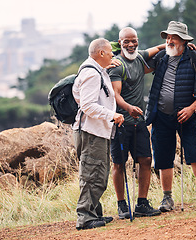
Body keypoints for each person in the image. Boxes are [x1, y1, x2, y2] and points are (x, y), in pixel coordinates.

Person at [145, 21, 196, 212]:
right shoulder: (161, 57)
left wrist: (192, 108)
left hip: (187, 117)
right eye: (167, 37)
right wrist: (160, 46)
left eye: (173, 37)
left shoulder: (195, 59)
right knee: (162, 158)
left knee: (194, 156)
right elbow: (140, 64)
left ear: (183, 40)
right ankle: (167, 199)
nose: (169, 40)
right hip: (160, 117)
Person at [108, 27, 165, 219]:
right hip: (121, 121)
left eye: (134, 41)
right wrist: (129, 107)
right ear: (120, 42)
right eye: (126, 41)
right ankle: (122, 205)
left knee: (146, 160)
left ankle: (142, 203)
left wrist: (177, 44)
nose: (131, 44)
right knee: (119, 163)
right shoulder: (117, 65)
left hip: (139, 122)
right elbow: (115, 95)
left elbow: (158, 48)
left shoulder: (140, 57)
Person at [72, 38, 124, 230]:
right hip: (91, 132)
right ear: (101, 53)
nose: (113, 54)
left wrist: (105, 68)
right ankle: (85, 217)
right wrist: (112, 115)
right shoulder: (92, 74)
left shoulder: (94, 70)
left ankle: (95, 213)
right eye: (110, 51)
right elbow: (87, 105)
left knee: (97, 172)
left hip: (94, 131)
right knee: (93, 173)